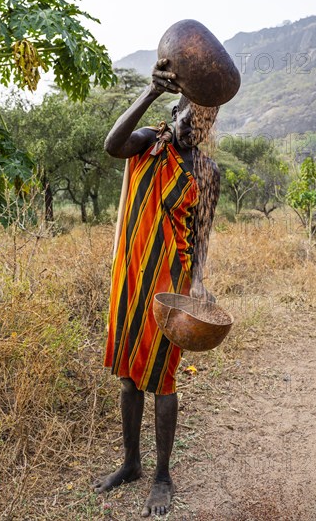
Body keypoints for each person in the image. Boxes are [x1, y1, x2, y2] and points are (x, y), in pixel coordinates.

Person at [94, 59, 220, 517]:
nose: (195, 130)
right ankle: (130, 463)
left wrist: (199, 284)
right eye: (191, 119)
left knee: (163, 380)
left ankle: (162, 475)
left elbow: (201, 236)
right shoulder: (149, 143)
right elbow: (112, 145)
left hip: (171, 285)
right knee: (129, 375)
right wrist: (148, 91)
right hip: (129, 276)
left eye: (205, 126)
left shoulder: (206, 172)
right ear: (176, 112)